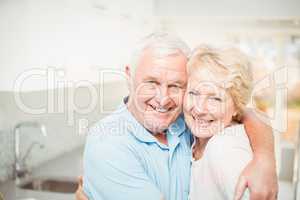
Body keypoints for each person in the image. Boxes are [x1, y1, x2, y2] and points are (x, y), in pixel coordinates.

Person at [76, 32, 278, 200]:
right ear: (129, 75)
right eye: (152, 83)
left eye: (175, 86)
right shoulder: (109, 143)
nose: (163, 99)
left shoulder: (197, 127)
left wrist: (265, 158)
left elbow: (250, 114)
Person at [184, 45, 257, 199]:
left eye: (215, 98)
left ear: (237, 107)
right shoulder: (194, 138)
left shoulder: (225, 149)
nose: (199, 108)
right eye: (193, 93)